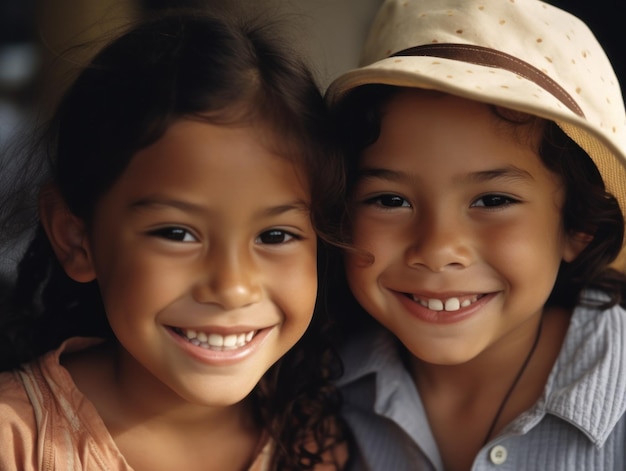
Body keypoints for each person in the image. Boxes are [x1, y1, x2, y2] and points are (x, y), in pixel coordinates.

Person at [0, 8, 348, 471]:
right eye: (178, 233)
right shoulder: (15, 441)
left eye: (275, 235)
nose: (232, 287)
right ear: (75, 238)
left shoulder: (313, 440)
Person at [325, 0, 626, 469]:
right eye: (390, 200)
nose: (438, 250)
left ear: (580, 225)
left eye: (492, 201)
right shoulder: (316, 392)